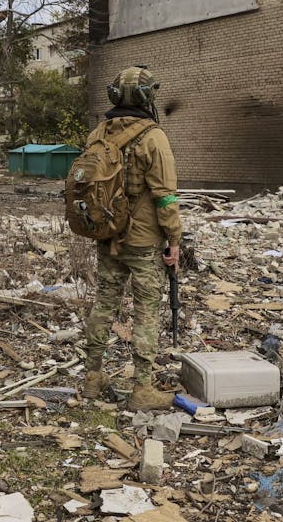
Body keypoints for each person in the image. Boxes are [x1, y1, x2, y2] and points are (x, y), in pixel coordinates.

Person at [80, 65, 182, 411]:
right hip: (143, 240)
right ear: (148, 97)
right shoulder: (154, 137)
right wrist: (175, 240)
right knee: (146, 309)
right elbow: (165, 196)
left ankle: (92, 378)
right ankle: (142, 389)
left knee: (104, 302)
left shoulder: (99, 133)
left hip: (107, 234)